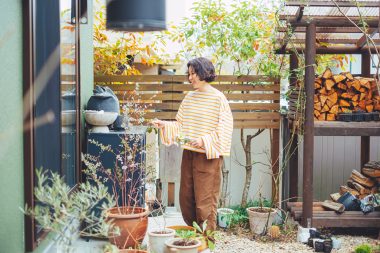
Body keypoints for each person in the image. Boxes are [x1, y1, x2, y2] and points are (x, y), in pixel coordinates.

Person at [152, 57, 233, 230]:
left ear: (204, 72)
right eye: (189, 74)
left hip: (208, 156)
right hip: (189, 153)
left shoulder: (218, 99)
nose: (190, 78)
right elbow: (181, 124)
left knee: (205, 201)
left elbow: (225, 129)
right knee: (186, 199)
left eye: (194, 74)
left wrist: (204, 140)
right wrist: (165, 125)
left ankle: (206, 239)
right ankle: (195, 234)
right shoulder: (189, 97)